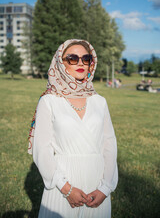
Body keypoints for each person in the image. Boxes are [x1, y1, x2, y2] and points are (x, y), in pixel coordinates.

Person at [28, 39, 118, 218]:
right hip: (62, 184)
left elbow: (109, 144)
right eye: (72, 58)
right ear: (60, 63)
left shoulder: (99, 101)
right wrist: (66, 189)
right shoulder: (49, 101)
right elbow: (42, 149)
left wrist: (105, 187)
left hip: (97, 183)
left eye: (86, 58)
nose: (80, 63)